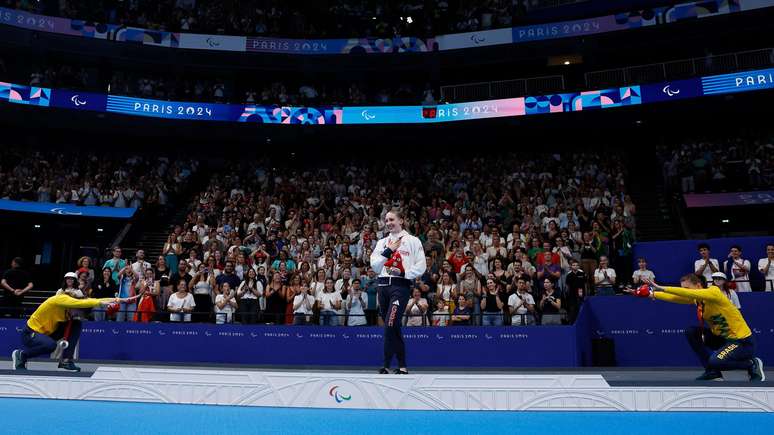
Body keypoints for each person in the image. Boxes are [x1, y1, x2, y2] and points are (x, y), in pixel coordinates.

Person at [632, 274, 764, 381]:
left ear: (698, 285)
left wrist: (660, 287)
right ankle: (712, 373)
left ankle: (752, 364)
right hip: (722, 339)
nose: (685, 292)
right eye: (683, 288)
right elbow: (675, 297)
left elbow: (679, 293)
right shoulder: (697, 299)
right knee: (691, 332)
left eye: (688, 288)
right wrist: (651, 294)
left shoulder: (714, 292)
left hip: (741, 342)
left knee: (715, 361)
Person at [11, 291, 136, 371]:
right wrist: (101, 302)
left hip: (48, 333)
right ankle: (22, 355)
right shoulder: (60, 299)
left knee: (76, 323)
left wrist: (120, 300)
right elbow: (84, 302)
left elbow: (89, 301)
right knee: (50, 345)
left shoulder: (71, 309)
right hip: (30, 334)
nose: (75, 314)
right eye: (77, 312)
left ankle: (66, 361)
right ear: (74, 305)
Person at [370, 209, 427, 375]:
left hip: (400, 286)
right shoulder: (382, 243)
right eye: (386, 220)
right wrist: (389, 250)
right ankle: (401, 365)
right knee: (393, 326)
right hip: (382, 286)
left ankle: (387, 363)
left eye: (392, 219)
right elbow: (375, 266)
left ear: (401, 220)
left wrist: (403, 273)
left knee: (390, 323)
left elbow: (421, 266)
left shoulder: (413, 241)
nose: (388, 223)